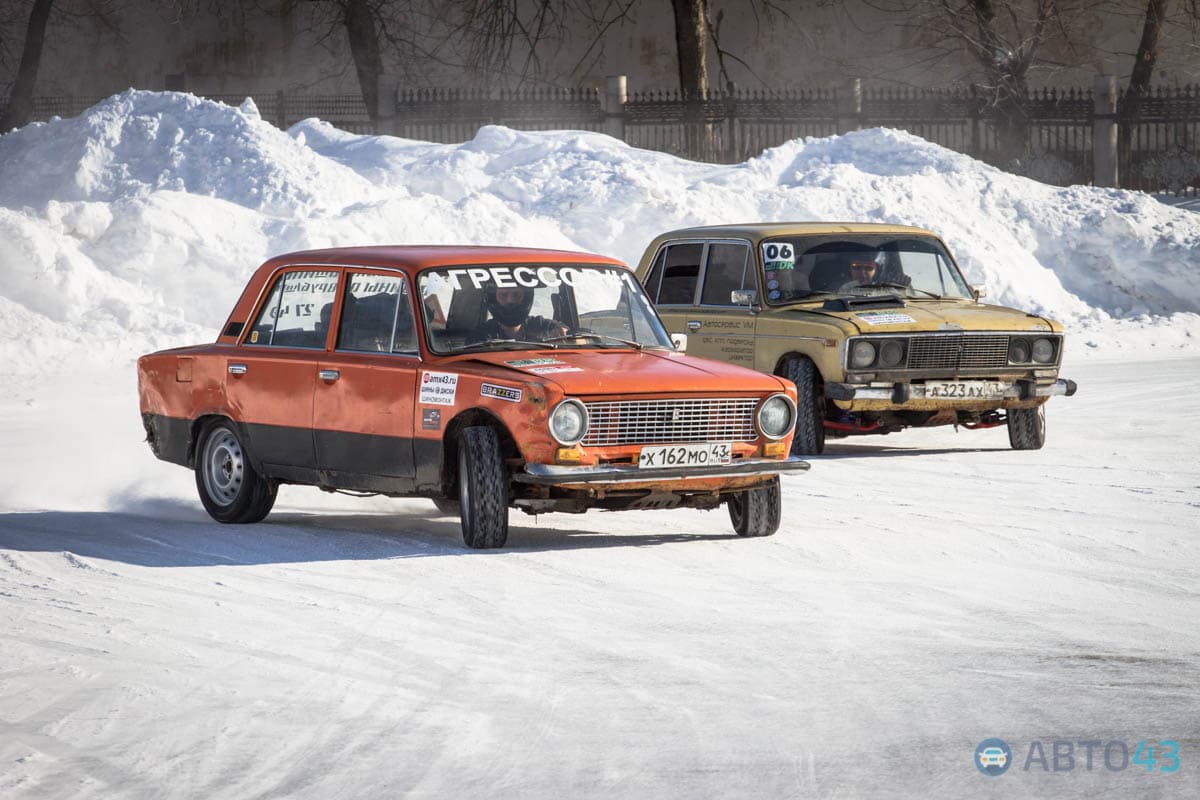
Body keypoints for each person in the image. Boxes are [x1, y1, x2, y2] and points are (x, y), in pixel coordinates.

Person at [467, 285, 568, 344]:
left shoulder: (540, 325)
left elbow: (571, 335)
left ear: (525, 298)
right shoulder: (480, 336)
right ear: (494, 299)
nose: (510, 301)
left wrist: (562, 332)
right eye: (503, 295)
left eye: (516, 295)